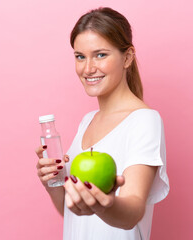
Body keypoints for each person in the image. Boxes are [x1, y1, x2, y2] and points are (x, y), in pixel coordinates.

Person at [35, 7, 169, 240]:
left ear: (127, 57)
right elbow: (71, 213)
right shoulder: (87, 122)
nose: (88, 69)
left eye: (100, 55)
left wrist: (104, 205)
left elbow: (133, 212)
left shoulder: (145, 121)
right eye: (80, 57)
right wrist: (51, 183)